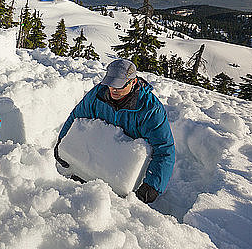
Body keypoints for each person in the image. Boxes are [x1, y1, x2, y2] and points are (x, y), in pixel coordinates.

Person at [54, 59, 175, 203]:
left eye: (119, 86)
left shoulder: (150, 110)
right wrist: (61, 142)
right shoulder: (98, 94)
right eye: (111, 84)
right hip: (94, 163)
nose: (113, 90)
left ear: (133, 82)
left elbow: (164, 148)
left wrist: (153, 185)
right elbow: (75, 117)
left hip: (124, 176)